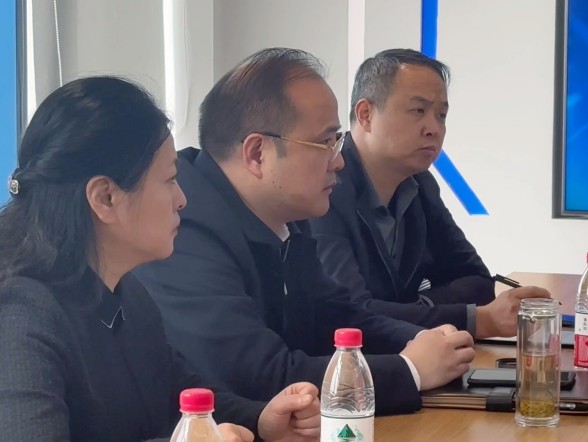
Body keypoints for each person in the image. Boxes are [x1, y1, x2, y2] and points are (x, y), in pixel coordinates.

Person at [132, 48, 475, 416]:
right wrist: (409, 370)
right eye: (325, 144)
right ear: (257, 154)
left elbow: (337, 315)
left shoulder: (284, 215)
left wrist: (422, 340)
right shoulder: (183, 230)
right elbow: (257, 376)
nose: (338, 161)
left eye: (337, 142)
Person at [0, 76, 320, 442]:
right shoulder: (20, 316)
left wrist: (261, 420)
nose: (182, 200)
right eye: (169, 180)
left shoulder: (128, 294)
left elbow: (180, 397)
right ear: (105, 198)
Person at [309, 49, 550, 338]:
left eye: (441, 115)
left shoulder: (420, 184)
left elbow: (477, 282)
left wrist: (415, 308)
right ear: (366, 114)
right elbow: (350, 315)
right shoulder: (324, 186)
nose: (434, 129)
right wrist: (476, 320)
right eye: (418, 111)